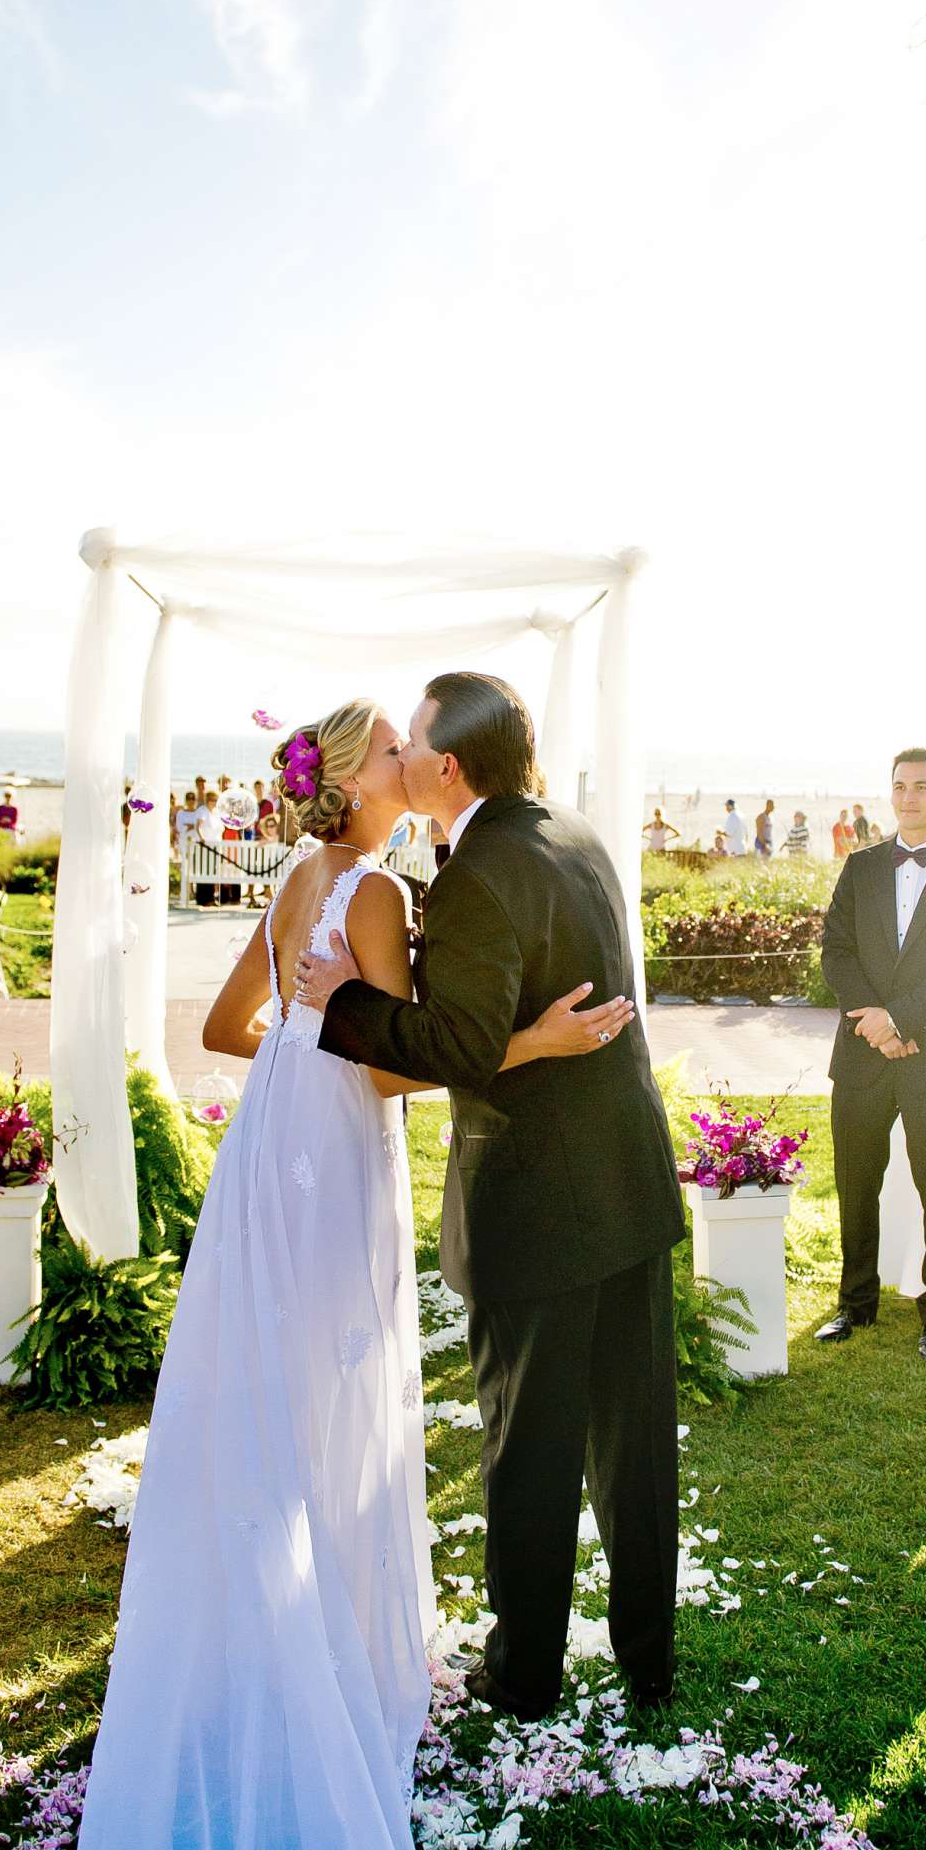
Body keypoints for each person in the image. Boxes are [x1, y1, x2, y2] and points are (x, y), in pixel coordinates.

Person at [56, 699, 632, 1850]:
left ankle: (293, 1627)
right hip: (330, 1178)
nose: (405, 764)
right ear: (362, 781)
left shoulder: (298, 884)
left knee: (272, 1406)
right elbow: (397, 1062)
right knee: (329, 1402)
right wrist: (536, 1051)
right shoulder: (374, 889)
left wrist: (302, 1086)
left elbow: (227, 1027)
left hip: (267, 1173)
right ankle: (328, 1664)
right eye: (388, 751)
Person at [301, 672, 685, 1727]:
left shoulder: (477, 868)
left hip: (536, 1202)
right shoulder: (575, 834)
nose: (404, 757)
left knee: (529, 1451)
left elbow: (464, 1047)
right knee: (635, 1444)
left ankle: (523, 1675)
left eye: (411, 742)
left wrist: (348, 1012)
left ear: (448, 766)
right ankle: (650, 1663)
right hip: (627, 1186)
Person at [816, 748, 926, 1359]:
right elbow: (836, 951)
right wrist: (877, 1022)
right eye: (899, 787)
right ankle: (854, 1304)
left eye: (922, 787)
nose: (908, 797)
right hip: (863, 1053)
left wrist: (902, 1018)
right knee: (855, 1181)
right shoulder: (861, 866)